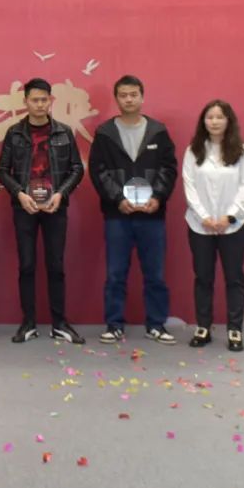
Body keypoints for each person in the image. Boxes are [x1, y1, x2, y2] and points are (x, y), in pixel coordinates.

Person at [88, 75, 179, 345]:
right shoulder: (105, 133)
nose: (128, 99)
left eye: (133, 94)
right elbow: (98, 171)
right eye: (123, 95)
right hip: (118, 214)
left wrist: (158, 197)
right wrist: (117, 198)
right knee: (115, 273)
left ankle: (157, 325)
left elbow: (168, 169)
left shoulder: (158, 131)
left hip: (152, 214)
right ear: (116, 99)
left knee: (155, 275)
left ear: (142, 97)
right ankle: (114, 324)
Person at [0, 78, 86, 345]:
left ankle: (59, 324)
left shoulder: (63, 132)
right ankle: (28, 323)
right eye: (34, 100)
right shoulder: (14, 133)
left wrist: (61, 194)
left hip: (54, 207)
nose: (39, 104)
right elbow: (3, 170)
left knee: (56, 266)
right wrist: (19, 194)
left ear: (51, 101)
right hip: (24, 207)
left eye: (44, 100)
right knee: (26, 265)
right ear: (25, 102)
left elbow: (77, 169)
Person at [182, 100, 244, 352]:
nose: (214, 121)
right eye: (210, 117)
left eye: (219, 117)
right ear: (203, 121)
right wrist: (203, 216)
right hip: (199, 225)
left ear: (228, 121)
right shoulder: (193, 151)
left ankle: (235, 329)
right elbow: (189, 186)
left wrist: (229, 216)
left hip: (233, 226)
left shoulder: (242, 151)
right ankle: (203, 327)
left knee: (234, 277)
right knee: (203, 277)